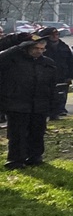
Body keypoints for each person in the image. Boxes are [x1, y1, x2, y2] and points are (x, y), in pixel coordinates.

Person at [0, 32, 58, 168]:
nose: (39, 51)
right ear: (27, 48)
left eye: (42, 49)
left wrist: (53, 104)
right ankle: (16, 159)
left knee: (37, 132)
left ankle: (35, 156)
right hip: (17, 103)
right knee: (17, 134)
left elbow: (52, 85)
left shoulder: (48, 63)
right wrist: (18, 46)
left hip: (40, 103)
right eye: (35, 48)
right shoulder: (13, 60)